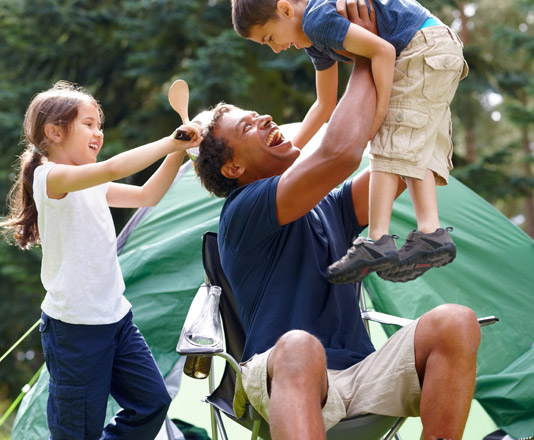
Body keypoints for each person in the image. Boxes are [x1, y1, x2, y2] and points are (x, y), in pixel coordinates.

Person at [194, 7, 480, 439]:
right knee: (299, 346)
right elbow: (341, 154)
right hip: (286, 373)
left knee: (456, 322)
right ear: (234, 168)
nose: (266, 119)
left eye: (257, 114)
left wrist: (419, 84)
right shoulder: (243, 211)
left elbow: (401, 168)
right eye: (249, 126)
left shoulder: (328, 207)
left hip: (362, 371)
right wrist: (363, 47)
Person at [0, 81, 202, 439]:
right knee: (77, 432)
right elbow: (112, 169)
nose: (99, 132)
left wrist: (178, 152)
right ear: (55, 131)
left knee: (153, 403)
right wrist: (172, 141)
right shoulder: (52, 177)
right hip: (75, 332)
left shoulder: (88, 182)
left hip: (117, 319)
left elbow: (147, 195)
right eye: (89, 124)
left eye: (99, 125)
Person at [231, 0, 469, 283]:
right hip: (436, 48)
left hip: (420, 47)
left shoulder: (316, 19)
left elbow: (383, 50)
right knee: (411, 145)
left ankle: (378, 239)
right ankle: (430, 234)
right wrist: (291, 153)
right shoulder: (314, 39)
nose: (276, 48)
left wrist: (379, 115)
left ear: (285, 10)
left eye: (270, 38)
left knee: (388, 140)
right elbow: (324, 104)